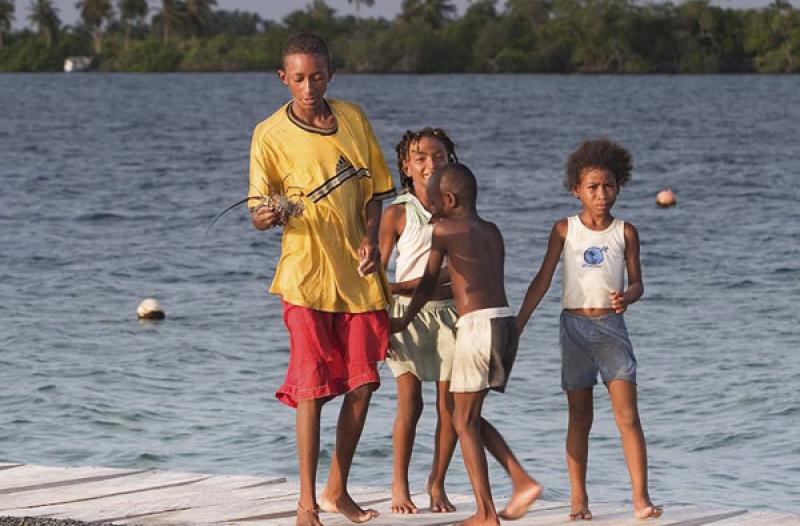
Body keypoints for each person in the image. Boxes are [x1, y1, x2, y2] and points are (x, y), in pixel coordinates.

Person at [248, 33, 396, 526]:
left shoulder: (353, 118)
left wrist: (372, 239)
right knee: (311, 387)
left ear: (330, 74)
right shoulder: (269, 133)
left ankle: (337, 489)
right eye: (298, 78)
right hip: (305, 275)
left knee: (363, 384)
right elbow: (257, 211)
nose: (308, 86)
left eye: (317, 76)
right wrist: (268, 214)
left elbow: (377, 192)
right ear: (283, 78)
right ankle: (306, 503)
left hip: (357, 274)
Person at [516, 138, 663, 521]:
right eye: (593, 187)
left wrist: (627, 298)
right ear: (576, 190)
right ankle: (578, 499)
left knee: (627, 416)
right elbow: (543, 280)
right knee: (579, 418)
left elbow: (638, 283)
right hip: (574, 328)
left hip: (612, 328)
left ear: (619, 186)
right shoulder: (564, 230)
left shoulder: (625, 232)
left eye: (608, 186)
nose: (601, 194)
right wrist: (518, 323)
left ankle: (640, 499)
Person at [391, 163, 542, 526]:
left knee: (462, 417)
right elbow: (472, 273)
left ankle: (487, 513)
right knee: (467, 416)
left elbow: (429, 284)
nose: (430, 208)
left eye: (433, 200)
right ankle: (521, 481)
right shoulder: (491, 230)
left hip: (476, 327)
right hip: (505, 324)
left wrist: (402, 319)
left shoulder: (443, 229)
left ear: (449, 199)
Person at [378, 128, 459, 514]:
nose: (430, 163)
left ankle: (437, 483)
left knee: (450, 406)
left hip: (450, 315)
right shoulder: (397, 211)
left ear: (450, 161)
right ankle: (399, 486)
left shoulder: (459, 208)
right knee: (410, 403)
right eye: (421, 158)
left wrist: (401, 284)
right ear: (406, 167)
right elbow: (376, 270)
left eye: (439, 156)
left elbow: (456, 271)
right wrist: (379, 318)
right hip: (404, 318)